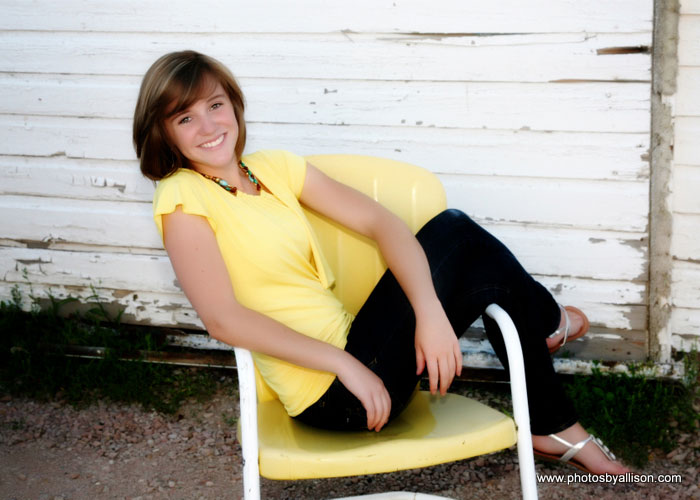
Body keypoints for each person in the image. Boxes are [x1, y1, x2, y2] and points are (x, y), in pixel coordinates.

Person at [133, 50, 629, 475]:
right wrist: (345, 365)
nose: (209, 126)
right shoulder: (181, 197)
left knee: (466, 251)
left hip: (368, 353)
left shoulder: (271, 167)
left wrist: (430, 314)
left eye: (215, 105)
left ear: (234, 104)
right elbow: (223, 319)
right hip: (335, 391)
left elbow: (384, 224)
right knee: (457, 232)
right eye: (185, 118)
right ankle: (550, 330)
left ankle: (554, 407)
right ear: (164, 133)